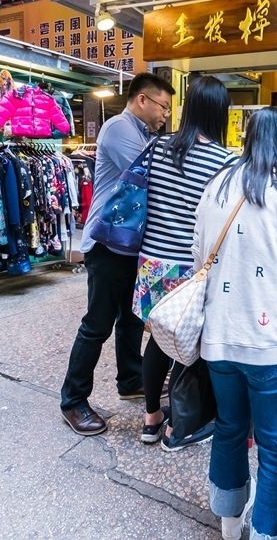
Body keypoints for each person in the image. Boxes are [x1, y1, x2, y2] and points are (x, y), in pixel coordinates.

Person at [194, 107, 277, 540]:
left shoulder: (217, 185)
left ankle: (229, 522)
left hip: (218, 338)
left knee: (230, 428)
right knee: (273, 444)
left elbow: (199, 258)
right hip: (270, 344)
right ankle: (268, 533)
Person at [60, 72, 174, 436]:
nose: (165, 116)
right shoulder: (118, 128)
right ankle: (73, 401)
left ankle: (131, 378)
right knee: (97, 325)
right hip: (109, 245)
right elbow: (155, 174)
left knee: (131, 319)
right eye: (162, 106)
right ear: (142, 100)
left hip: (132, 245)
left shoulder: (145, 133)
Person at [131, 75, 235, 449]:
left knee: (159, 340)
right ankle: (178, 424)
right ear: (221, 113)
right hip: (191, 268)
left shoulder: (158, 146)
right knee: (187, 344)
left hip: (151, 264)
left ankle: (150, 418)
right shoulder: (226, 161)